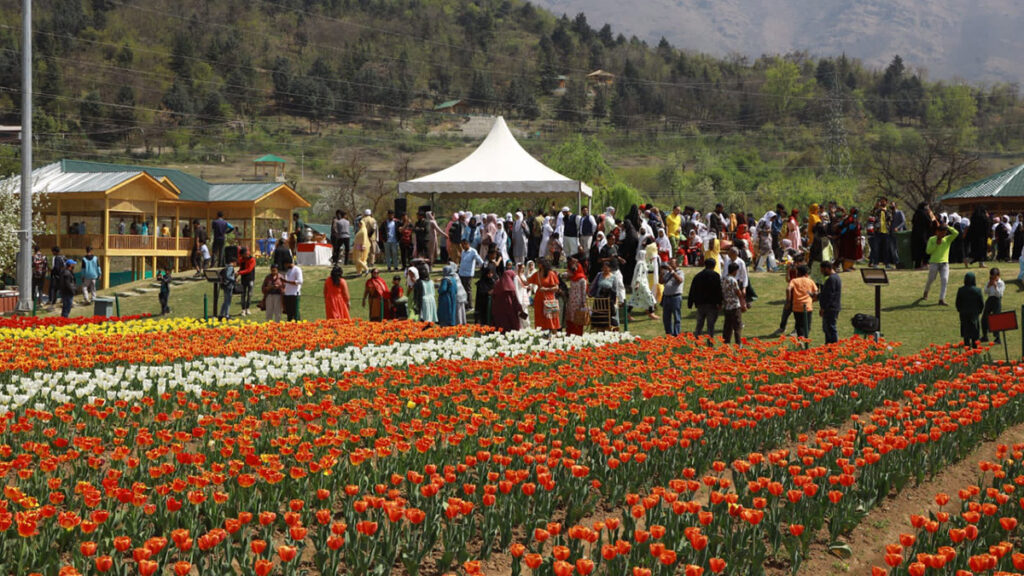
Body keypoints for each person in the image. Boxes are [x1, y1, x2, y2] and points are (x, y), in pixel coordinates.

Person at [923, 221, 959, 305]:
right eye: (941, 232)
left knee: (945, 280)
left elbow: (956, 233)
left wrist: (948, 227)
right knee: (931, 279)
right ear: (937, 232)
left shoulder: (947, 239)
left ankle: (941, 299)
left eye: (944, 233)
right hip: (934, 263)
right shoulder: (932, 239)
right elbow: (928, 251)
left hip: (944, 263)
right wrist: (936, 244)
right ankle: (926, 291)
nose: (943, 234)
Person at [687, 259, 722, 338]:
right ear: (714, 266)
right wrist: (720, 302)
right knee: (710, 325)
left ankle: (697, 341)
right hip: (712, 304)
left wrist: (690, 303)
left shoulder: (698, 276)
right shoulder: (715, 276)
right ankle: (710, 343)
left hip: (700, 304)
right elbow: (718, 290)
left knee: (699, 324)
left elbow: (693, 289)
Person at [589, 260, 624, 331]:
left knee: (612, 311)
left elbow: (615, 290)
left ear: (610, 268)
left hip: (608, 300)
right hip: (598, 300)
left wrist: (616, 301)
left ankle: (610, 326)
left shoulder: (614, 277)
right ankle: (600, 327)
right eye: (603, 268)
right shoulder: (599, 275)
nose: (604, 269)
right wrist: (590, 293)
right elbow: (594, 285)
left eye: (606, 268)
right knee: (598, 313)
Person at [528, 258, 561, 332]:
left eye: (538, 263)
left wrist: (546, 289)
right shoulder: (537, 274)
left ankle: (553, 334)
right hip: (539, 299)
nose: (537, 264)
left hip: (549, 299)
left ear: (542, 264)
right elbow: (527, 281)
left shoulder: (551, 273)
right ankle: (542, 334)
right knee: (540, 317)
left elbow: (556, 287)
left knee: (550, 318)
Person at [629, 240, 659, 320]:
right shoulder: (641, 263)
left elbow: (649, 269)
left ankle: (628, 313)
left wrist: (650, 261)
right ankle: (651, 312)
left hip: (643, 283)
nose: (646, 256)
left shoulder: (642, 263)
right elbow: (639, 274)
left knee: (635, 298)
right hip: (641, 284)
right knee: (649, 296)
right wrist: (638, 283)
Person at [787, 265, 818, 339]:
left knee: (799, 325)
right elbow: (816, 293)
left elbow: (788, 289)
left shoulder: (794, 281)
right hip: (807, 306)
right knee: (807, 326)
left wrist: (788, 302)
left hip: (796, 306)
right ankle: (804, 340)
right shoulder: (810, 281)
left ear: (798, 273)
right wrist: (813, 300)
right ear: (806, 273)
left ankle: (801, 338)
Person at [956, 272, 984, 348]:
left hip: (964, 314)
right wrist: (979, 311)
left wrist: (960, 310)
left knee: (966, 332)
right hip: (974, 314)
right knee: (975, 331)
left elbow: (958, 302)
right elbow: (981, 303)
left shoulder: (961, 290)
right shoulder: (977, 290)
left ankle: (967, 347)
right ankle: (975, 347)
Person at [721, 262, 746, 345]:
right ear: (735, 271)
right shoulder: (733, 280)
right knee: (737, 326)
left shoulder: (723, 279)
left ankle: (726, 343)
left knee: (727, 326)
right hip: (735, 306)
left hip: (727, 306)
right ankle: (738, 344)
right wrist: (743, 303)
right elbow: (738, 292)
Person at [564, 257, 589, 336]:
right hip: (571, 301)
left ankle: (577, 333)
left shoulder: (582, 279)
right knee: (571, 317)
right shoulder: (572, 278)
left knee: (578, 318)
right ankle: (570, 333)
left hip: (578, 301)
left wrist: (584, 302)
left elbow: (584, 292)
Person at [819, 261, 842, 344]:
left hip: (830, 308)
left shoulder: (831, 279)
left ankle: (833, 347)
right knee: (828, 328)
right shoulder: (836, 278)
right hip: (833, 307)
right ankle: (828, 346)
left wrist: (823, 308)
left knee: (830, 328)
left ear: (827, 269)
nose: (822, 272)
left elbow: (829, 296)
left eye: (822, 270)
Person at [660, 259, 685, 336]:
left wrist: (672, 271)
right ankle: (669, 334)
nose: (670, 265)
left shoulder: (680, 272)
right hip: (666, 297)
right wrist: (661, 273)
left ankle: (676, 334)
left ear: (676, 264)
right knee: (666, 318)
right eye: (669, 263)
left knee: (677, 317)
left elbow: (680, 280)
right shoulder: (667, 273)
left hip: (676, 297)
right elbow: (661, 282)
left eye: (672, 264)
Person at [981, 267, 1005, 343]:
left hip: (997, 301)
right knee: (984, 318)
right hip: (990, 300)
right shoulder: (989, 282)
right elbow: (985, 292)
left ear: (998, 275)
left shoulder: (1001, 283)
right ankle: (985, 336)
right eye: (991, 276)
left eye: (994, 276)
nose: (993, 278)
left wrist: (995, 286)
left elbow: (999, 294)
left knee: (996, 319)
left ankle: (997, 338)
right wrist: (988, 286)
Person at [911, 202, 932, 269]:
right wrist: (930, 214)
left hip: (915, 235)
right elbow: (929, 222)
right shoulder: (924, 213)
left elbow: (913, 222)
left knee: (917, 250)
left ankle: (917, 265)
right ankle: (925, 264)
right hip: (923, 235)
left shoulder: (916, 213)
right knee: (924, 249)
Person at [236, 247, 256, 316]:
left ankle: (247, 308)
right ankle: (243, 309)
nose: (247, 254)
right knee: (243, 294)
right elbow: (241, 268)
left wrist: (240, 273)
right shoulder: (242, 260)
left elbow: (249, 269)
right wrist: (237, 273)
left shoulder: (252, 259)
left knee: (249, 294)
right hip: (244, 279)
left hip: (250, 278)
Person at [218, 256, 236, 320]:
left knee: (225, 301)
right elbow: (228, 276)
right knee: (228, 301)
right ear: (233, 262)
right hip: (228, 285)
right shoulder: (231, 268)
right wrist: (234, 279)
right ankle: (227, 315)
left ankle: (221, 314)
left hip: (225, 285)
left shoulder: (226, 267)